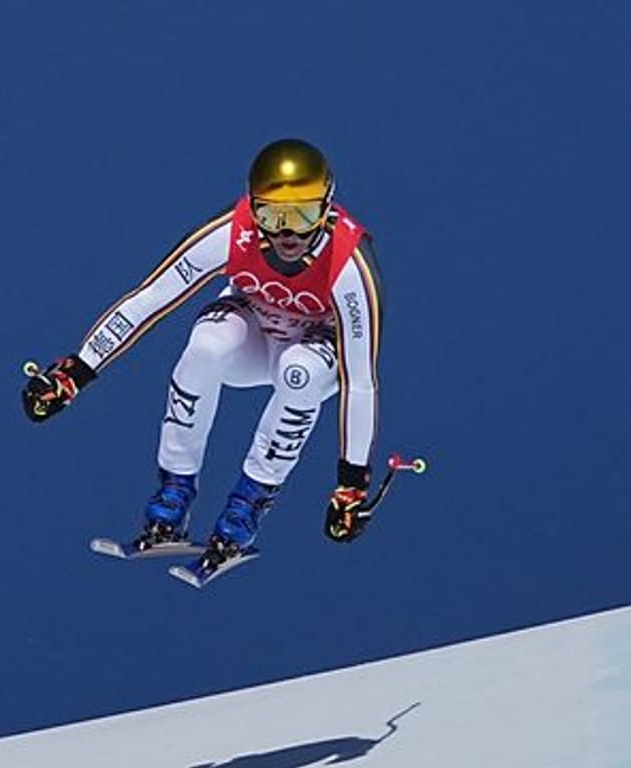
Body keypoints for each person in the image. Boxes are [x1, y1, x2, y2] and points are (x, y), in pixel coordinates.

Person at [22, 138, 383, 578]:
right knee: (206, 347)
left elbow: (360, 380)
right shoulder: (234, 232)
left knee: (299, 374)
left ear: (326, 210)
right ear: (254, 209)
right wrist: (76, 371)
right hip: (253, 335)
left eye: (303, 216)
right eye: (272, 216)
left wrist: (351, 483)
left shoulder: (348, 264)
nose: (288, 234)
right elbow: (152, 298)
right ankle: (171, 502)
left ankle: (243, 513)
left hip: (312, 348)